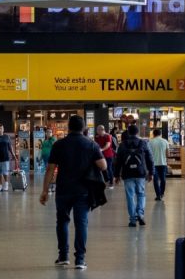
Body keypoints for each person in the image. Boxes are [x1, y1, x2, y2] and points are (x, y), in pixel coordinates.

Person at [39, 115, 107, 270]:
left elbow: (50, 168)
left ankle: (63, 256)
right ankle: (80, 260)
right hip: (83, 190)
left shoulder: (59, 145)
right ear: (84, 128)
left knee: (62, 221)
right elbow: (103, 166)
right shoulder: (91, 144)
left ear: (68, 127)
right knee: (81, 223)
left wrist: (45, 191)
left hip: (63, 189)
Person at [113, 125, 154, 227]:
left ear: (128, 132)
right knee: (141, 194)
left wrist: (116, 175)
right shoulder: (143, 143)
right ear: (137, 132)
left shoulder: (122, 145)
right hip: (140, 173)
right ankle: (140, 214)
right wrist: (151, 173)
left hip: (127, 174)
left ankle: (132, 219)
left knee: (130, 196)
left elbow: (117, 161)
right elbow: (150, 158)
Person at [148, 129, 169, 201]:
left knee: (155, 180)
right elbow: (167, 154)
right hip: (163, 163)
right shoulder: (165, 141)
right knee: (163, 179)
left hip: (154, 164)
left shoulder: (150, 142)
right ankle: (162, 193)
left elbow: (148, 154)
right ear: (160, 134)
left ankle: (158, 195)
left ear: (153, 134)